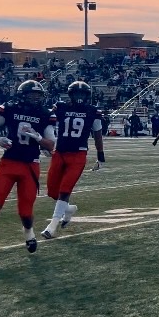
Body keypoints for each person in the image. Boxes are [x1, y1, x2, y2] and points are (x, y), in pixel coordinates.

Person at [0, 80, 56, 269]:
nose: (36, 99)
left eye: (38, 96)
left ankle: (28, 232)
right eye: (32, 95)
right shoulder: (10, 108)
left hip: (30, 166)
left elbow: (51, 145)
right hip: (8, 163)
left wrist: (38, 138)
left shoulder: (44, 114)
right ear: (22, 95)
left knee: (25, 212)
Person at [40, 81, 105, 239]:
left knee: (65, 189)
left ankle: (52, 226)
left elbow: (97, 134)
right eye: (77, 94)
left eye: (82, 94)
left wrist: (100, 155)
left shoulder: (93, 111)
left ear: (87, 96)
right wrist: (46, 143)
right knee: (52, 191)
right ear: (71, 95)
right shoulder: (61, 107)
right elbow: (47, 123)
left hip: (78, 154)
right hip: (60, 152)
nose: (79, 97)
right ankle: (68, 209)